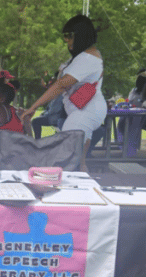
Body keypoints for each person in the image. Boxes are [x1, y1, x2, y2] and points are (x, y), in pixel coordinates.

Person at [21, 14, 106, 172]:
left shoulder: (88, 58)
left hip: (86, 111)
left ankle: (60, 182)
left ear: (81, 34)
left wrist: (33, 107)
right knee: (78, 161)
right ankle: (82, 179)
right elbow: (60, 84)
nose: (66, 40)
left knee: (64, 156)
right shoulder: (82, 57)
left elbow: (61, 85)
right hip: (81, 109)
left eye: (69, 35)